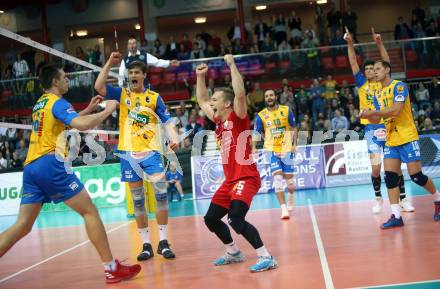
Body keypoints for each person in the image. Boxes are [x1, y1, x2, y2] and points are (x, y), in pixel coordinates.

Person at [0, 64, 141, 283]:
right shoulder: (58, 102)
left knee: (23, 225)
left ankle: (111, 266)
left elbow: (65, 125)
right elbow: (81, 126)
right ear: (55, 82)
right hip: (50, 163)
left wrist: (86, 110)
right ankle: (111, 267)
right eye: (64, 78)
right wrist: (108, 110)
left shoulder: (41, 103)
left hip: (31, 167)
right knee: (90, 212)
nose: (68, 80)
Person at [196, 55, 277, 273]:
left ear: (227, 103)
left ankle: (266, 256)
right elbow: (201, 99)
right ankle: (233, 251)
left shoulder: (238, 116)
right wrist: (200, 77)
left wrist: (232, 65)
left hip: (246, 178)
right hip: (230, 181)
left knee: (235, 218)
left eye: (215, 99)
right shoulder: (218, 122)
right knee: (211, 219)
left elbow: (240, 93)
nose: (211, 102)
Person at [96, 52, 180, 261]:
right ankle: (145, 245)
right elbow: (99, 88)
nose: (133, 75)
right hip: (127, 154)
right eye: (130, 72)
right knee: (138, 202)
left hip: (151, 153)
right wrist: (109, 63)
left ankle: (162, 242)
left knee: (161, 196)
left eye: (136, 72)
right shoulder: (122, 94)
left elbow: (168, 121)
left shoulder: (154, 98)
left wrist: (174, 137)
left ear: (144, 75)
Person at [360, 60, 440, 229]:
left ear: (387, 70)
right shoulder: (377, 94)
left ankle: (438, 199)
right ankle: (396, 216)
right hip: (391, 139)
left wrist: (373, 112)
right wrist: (365, 115)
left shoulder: (399, 86)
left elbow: (396, 110)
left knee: (416, 176)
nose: (375, 72)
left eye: (378, 69)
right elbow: (377, 118)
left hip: (407, 136)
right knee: (390, 177)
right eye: (373, 70)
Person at [345, 27, 414, 214]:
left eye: (371, 69)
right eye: (366, 69)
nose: (369, 71)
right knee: (376, 168)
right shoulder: (362, 84)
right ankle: (378, 197)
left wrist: (379, 43)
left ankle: (403, 199)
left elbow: (387, 62)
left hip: (389, 127)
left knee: (396, 167)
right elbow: (352, 62)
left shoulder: (384, 82)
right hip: (371, 131)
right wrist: (350, 43)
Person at [253, 89, 298, 220]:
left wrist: (295, 144)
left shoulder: (286, 110)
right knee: (277, 180)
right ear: (265, 99)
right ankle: (283, 209)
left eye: (271, 95)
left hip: (287, 149)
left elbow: (294, 126)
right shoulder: (261, 115)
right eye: (266, 96)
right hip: (271, 150)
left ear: (275, 96)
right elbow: (256, 132)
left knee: (290, 183)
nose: (269, 97)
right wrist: (254, 147)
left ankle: (291, 196)